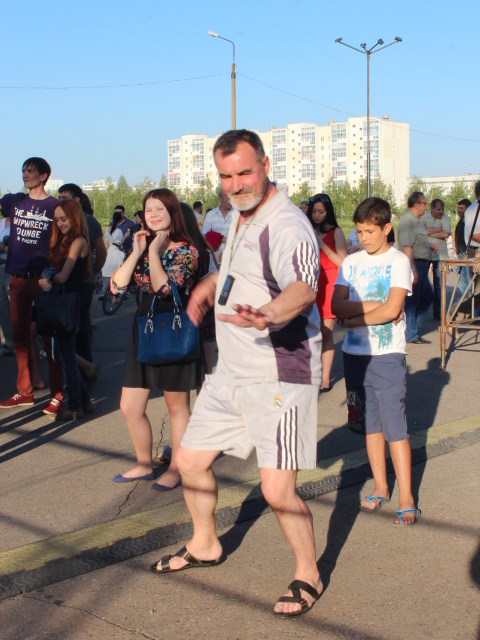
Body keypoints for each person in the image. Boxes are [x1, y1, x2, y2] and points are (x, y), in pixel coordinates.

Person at [151, 130, 323, 618]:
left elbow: (303, 288)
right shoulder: (239, 214)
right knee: (189, 460)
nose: (236, 184)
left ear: (265, 165)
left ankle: (308, 573)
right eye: (226, 176)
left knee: (276, 490)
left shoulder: (286, 224)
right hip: (231, 370)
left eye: (245, 172)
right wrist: (210, 283)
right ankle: (205, 543)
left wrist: (268, 313)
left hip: (279, 373)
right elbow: (238, 269)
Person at [332, 197, 419, 525]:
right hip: (354, 355)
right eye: (359, 232)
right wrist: (375, 307)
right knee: (369, 426)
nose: (363, 238)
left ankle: (406, 496)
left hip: (387, 356)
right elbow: (336, 306)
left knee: (395, 427)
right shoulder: (351, 262)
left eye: (370, 231)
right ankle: (381, 486)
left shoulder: (398, 261)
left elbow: (393, 309)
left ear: (386, 228)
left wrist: (354, 318)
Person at [111, 188, 202, 491]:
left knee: (177, 406)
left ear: (172, 212)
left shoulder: (187, 250)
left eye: (159, 209)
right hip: (145, 327)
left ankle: (177, 468)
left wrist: (153, 253)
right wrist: (138, 250)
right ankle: (143, 464)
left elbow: (166, 290)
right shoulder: (144, 245)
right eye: (148, 210)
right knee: (130, 405)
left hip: (174, 328)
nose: (152, 215)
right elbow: (116, 287)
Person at [0, 157, 64, 413]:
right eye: (23, 170)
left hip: (44, 278)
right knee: (20, 336)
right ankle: (24, 392)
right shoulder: (14, 201)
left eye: (30, 171)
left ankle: (58, 394)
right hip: (18, 278)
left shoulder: (55, 206)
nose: (25, 175)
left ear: (44, 175)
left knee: (49, 337)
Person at [38, 201, 94, 420]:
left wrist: (46, 277)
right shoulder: (67, 240)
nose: (60, 223)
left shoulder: (78, 241)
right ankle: (85, 401)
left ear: (75, 218)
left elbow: (62, 277)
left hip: (68, 305)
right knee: (64, 356)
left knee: (66, 357)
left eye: (64, 219)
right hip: (66, 304)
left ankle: (75, 406)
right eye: (57, 220)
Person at [58, 184, 106, 362]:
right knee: (71, 325)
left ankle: (85, 368)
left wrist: (92, 272)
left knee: (81, 326)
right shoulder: (60, 220)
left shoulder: (88, 221)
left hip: (82, 281)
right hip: (67, 281)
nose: (61, 201)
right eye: (59, 198)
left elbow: (101, 252)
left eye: (65, 198)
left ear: (77, 199)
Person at [306, 193, 347, 392]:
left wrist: (323, 246)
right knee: (308, 332)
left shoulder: (336, 232)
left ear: (328, 212)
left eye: (321, 212)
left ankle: (325, 378)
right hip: (309, 282)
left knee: (326, 332)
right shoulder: (305, 229)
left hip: (329, 283)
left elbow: (344, 263)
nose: (316, 215)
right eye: (314, 211)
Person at [180, 202, 219, 375]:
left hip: (187, 321)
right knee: (204, 374)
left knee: (196, 376)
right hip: (204, 320)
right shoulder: (204, 252)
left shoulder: (199, 253)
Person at [397, 192, 437, 344]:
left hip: (422, 264)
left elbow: (417, 240)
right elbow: (407, 246)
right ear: (417, 204)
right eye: (424, 203)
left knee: (426, 296)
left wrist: (429, 245)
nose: (426, 206)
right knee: (413, 300)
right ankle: (410, 333)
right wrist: (413, 269)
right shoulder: (407, 221)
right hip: (414, 264)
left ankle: (412, 329)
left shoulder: (416, 221)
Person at [423, 199, 451, 320]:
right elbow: (420, 232)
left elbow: (446, 234)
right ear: (432, 208)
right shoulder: (424, 217)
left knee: (439, 286)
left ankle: (438, 313)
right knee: (422, 283)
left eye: (442, 209)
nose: (441, 212)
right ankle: (420, 311)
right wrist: (439, 229)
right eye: (438, 209)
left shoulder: (446, 218)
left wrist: (428, 232)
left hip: (441, 255)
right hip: (426, 254)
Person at [202, 189, 233, 261]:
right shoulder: (211, 215)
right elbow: (204, 236)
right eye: (228, 198)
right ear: (220, 198)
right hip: (214, 259)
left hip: (233, 258)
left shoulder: (238, 214)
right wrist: (222, 239)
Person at [0, 215, 14, 356]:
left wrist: (5, 249)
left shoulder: (20, 224)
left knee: (16, 307)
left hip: (13, 268)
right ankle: (8, 344)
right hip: (1, 266)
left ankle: (30, 344)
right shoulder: (0, 223)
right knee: (3, 308)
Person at [103, 212, 125, 292]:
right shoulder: (119, 231)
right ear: (120, 220)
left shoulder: (107, 229)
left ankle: (106, 291)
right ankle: (116, 290)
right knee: (116, 272)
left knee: (108, 270)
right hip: (116, 253)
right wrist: (126, 236)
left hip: (109, 252)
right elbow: (118, 244)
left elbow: (108, 243)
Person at [455, 199, 472, 297]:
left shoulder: (471, 221)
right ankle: (466, 300)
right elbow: (456, 234)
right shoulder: (460, 222)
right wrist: (456, 248)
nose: (459, 210)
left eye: (461, 208)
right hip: (461, 254)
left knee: (470, 281)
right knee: (462, 281)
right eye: (458, 208)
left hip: (469, 254)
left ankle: (472, 301)